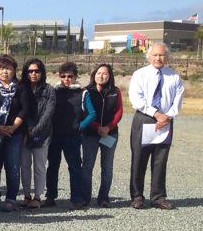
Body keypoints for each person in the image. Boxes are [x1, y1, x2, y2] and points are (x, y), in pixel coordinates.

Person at [129, 43, 184, 209]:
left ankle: (158, 197)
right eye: (155, 55)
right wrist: (156, 113)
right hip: (144, 118)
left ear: (166, 57)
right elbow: (136, 99)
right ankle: (137, 197)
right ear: (149, 57)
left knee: (160, 160)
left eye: (161, 55)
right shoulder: (140, 74)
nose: (158, 58)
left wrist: (167, 116)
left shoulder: (174, 77)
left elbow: (178, 100)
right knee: (139, 159)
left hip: (166, 122)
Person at [0, 55, 29, 212]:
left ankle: (11, 199)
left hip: (14, 133)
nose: (5, 72)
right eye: (1, 68)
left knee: (13, 166)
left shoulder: (21, 89)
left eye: (8, 68)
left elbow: (25, 109)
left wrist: (13, 127)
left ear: (14, 71)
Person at [79, 64, 123, 208]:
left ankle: (103, 197)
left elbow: (119, 111)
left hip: (110, 134)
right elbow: (85, 112)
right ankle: (85, 197)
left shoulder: (115, 92)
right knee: (87, 166)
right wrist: (97, 127)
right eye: (98, 73)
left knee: (107, 167)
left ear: (110, 76)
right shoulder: (86, 91)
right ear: (94, 75)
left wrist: (108, 127)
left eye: (105, 73)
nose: (101, 76)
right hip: (91, 134)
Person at [45, 61, 84, 208]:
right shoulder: (54, 92)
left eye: (70, 76)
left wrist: (81, 126)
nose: (66, 79)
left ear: (75, 77)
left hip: (73, 136)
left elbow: (90, 113)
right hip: (55, 135)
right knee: (52, 166)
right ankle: (50, 196)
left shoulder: (82, 93)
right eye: (63, 76)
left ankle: (76, 198)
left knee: (74, 167)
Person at [19, 58, 55, 209]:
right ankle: (27, 195)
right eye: (30, 71)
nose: (33, 74)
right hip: (24, 132)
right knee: (25, 166)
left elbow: (49, 112)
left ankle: (38, 197)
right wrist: (27, 128)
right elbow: (20, 109)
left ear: (42, 72)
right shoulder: (21, 89)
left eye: (37, 71)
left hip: (43, 134)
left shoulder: (49, 90)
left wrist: (35, 129)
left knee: (40, 167)